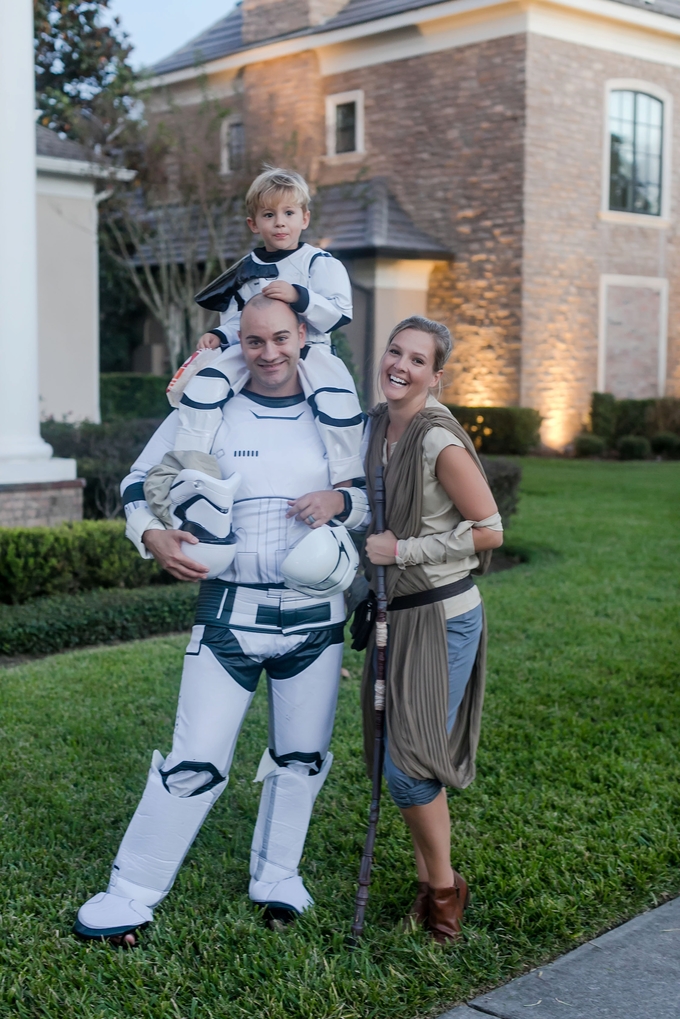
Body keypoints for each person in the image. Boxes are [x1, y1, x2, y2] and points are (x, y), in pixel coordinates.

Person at [75, 295, 369, 946]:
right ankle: (130, 893)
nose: (268, 353)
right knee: (195, 762)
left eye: (281, 338)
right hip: (231, 610)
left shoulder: (335, 411)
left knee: (301, 757)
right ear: (238, 337)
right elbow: (139, 481)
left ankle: (278, 877)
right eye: (255, 339)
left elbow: (376, 492)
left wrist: (342, 498)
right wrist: (150, 533)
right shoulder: (209, 407)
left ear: (303, 336)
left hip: (317, 615)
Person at [362, 315, 503, 945]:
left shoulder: (437, 440)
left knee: (409, 766)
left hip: (441, 615)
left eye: (418, 360)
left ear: (435, 375)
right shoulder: (376, 426)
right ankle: (428, 882)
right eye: (396, 351)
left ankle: (444, 892)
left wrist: (404, 551)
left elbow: (491, 530)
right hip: (397, 615)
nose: (402, 366)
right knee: (396, 756)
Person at [167, 166, 363, 487]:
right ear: (254, 224)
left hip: (312, 351)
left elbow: (339, 312)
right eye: (269, 215)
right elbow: (238, 320)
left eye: (288, 213)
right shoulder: (246, 270)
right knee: (205, 383)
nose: (280, 222)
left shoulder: (318, 263)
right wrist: (219, 335)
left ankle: (347, 479)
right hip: (255, 352)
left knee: (338, 400)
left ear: (305, 218)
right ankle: (191, 464)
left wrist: (299, 296)